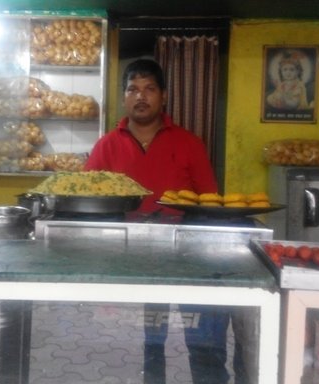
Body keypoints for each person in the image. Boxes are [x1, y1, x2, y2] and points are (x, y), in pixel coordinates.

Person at [84, 59, 235, 383]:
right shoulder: (106, 146)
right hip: (128, 259)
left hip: (186, 258)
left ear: (163, 96)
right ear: (124, 98)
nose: (141, 96)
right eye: (133, 89)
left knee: (202, 344)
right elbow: (88, 201)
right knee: (145, 345)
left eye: (149, 88)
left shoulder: (189, 143)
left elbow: (208, 202)